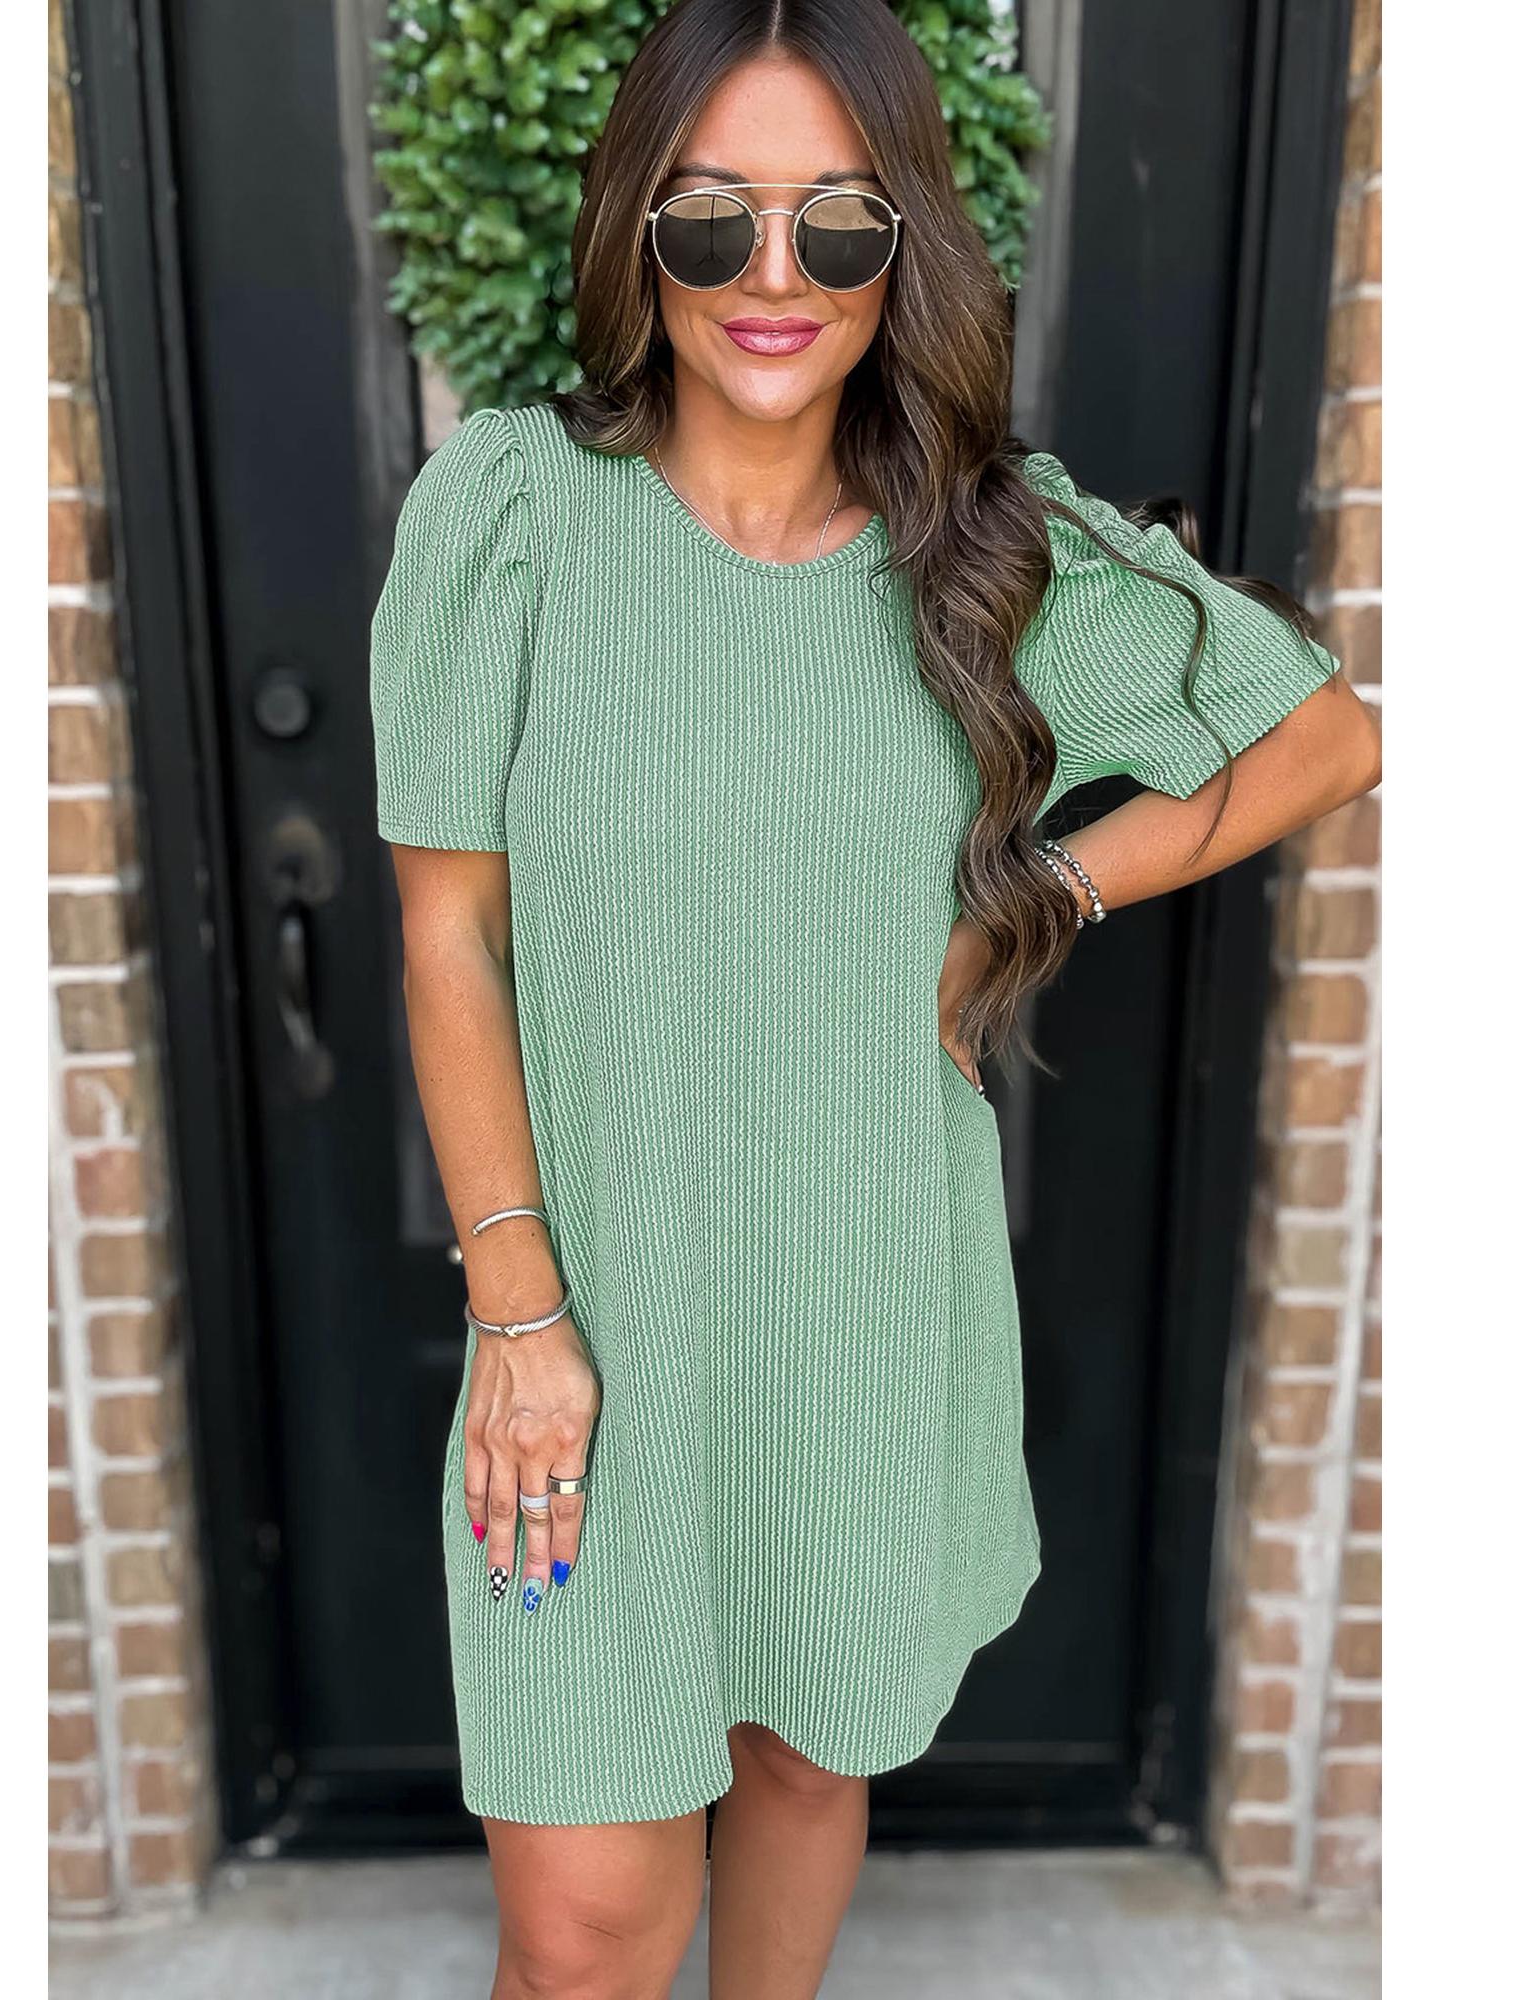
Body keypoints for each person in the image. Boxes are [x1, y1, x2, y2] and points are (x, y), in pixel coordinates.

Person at [369, 2, 1382, 1993]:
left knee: (802, 1752)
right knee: (579, 1938)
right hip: (586, 1326)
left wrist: (1039, 893)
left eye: (837, 224)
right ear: (633, 231)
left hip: (860, 1311)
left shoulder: (985, 550)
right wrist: (520, 1311)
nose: (775, 275)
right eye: (712, 218)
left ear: (900, 246)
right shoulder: (510, 514)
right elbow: (445, 937)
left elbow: (1323, 736)